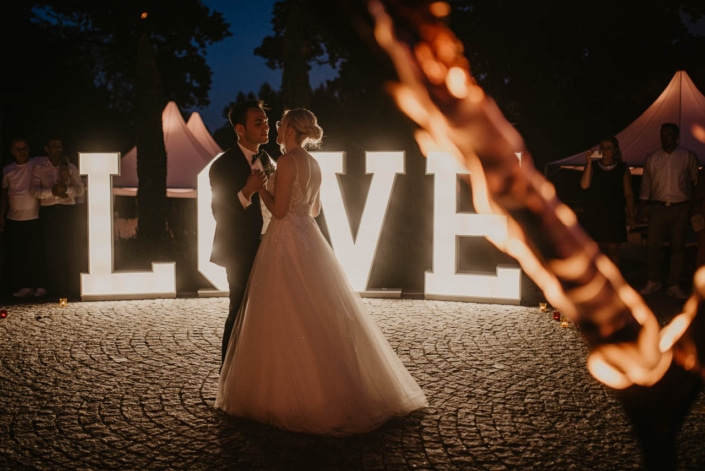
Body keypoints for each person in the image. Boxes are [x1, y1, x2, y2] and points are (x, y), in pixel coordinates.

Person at [216, 109, 427, 436]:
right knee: (314, 310)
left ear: (289, 129)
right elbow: (312, 209)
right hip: (309, 239)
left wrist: (260, 190)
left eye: (277, 123)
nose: (273, 127)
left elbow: (282, 211)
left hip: (283, 241)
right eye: (263, 122)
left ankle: (281, 390)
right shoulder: (313, 163)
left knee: (280, 310)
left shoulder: (285, 161)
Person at [209, 100, 274, 365]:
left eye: (266, 121)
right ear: (240, 128)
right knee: (239, 309)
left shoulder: (268, 159)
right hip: (239, 251)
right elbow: (219, 212)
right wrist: (246, 191)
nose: (265, 127)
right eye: (258, 122)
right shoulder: (222, 166)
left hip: (271, 245)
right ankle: (228, 374)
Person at [638, 123, 699, 299]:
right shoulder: (652, 158)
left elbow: (695, 181)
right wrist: (642, 206)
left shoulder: (687, 156)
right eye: (662, 135)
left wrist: (693, 206)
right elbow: (646, 183)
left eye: (669, 135)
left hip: (681, 207)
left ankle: (674, 284)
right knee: (652, 246)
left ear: (676, 136)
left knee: (678, 247)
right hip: (658, 207)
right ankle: (654, 280)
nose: (665, 138)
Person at [30, 137, 85, 299]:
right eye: (54, 146)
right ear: (46, 148)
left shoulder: (71, 167)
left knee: (71, 249)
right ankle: (56, 289)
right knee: (53, 251)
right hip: (50, 212)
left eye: (60, 146)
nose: (57, 149)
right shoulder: (39, 167)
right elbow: (33, 190)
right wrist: (52, 192)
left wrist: (66, 190)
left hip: (68, 211)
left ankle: (72, 288)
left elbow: (80, 190)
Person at [579, 136, 635, 268]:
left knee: (613, 249)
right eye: (602, 148)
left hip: (615, 214)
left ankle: (615, 282)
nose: (605, 151)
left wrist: (632, 215)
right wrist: (589, 163)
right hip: (595, 213)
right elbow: (584, 185)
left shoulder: (622, 168)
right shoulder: (594, 167)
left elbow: (628, 193)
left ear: (615, 150)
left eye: (608, 148)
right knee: (597, 251)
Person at [0, 138, 45, 297]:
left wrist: (66, 164)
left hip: (34, 217)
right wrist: (2, 215)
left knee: (36, 254)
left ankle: (39, 285)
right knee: (19, 256)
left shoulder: (36, 163)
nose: (21, 151)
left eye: (24, 148)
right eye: (17, 148)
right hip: (14, 217)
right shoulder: (7, 170)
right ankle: (23, 286)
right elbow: (5, 194)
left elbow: (60, 158)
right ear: (12, 151)